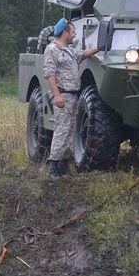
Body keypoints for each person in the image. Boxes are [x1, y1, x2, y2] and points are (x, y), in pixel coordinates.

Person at [42, 18, 99, 179]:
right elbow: (49, 74)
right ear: (64, 33)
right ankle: (53, 165)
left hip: (72, 95)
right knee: (62, 130)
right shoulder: (52, 49)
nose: (75, 34)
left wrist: (101, 46)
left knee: (70, 130)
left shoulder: (68, 50)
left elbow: (84, 54)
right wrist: (57, 95)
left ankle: (63, 165)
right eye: (73, 31)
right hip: (63, 95)